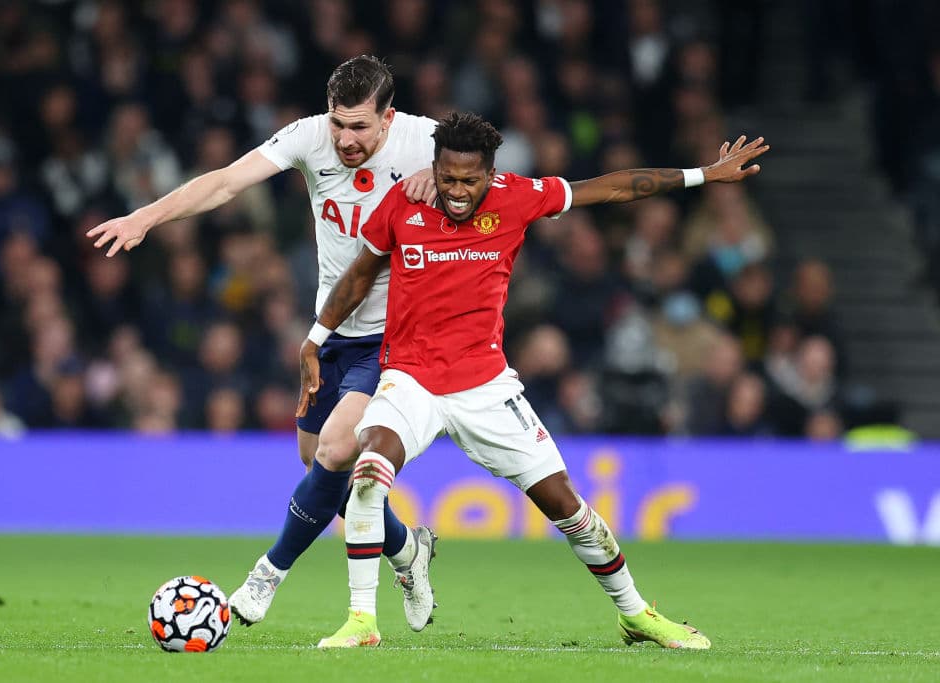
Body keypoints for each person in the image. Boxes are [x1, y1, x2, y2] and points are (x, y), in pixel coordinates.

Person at [299, 112, 769, 649]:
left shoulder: (518, 197)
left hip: (485, 386)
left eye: (469, 181)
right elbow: (359, 275)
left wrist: (703, 175)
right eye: (447, 178)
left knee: (567, 506)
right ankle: (362, 621)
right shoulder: (402, 204)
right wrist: (315, 338)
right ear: (434, 168)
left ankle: (636, 613)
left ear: (491, 174)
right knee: (368, 475)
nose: (457, 192)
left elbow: (613, 187)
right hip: (410, 379)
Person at [87, 56, 440, 631]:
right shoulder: (308, 137)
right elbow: (225, 181)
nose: (345, 140)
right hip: (332, 328)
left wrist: (442, 174)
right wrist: (146, 217)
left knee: (335, 451)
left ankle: (265, 575)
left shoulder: (427, 139)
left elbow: (489, 169)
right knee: (318, 464)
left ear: (388, 118)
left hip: (398, 334)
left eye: (359, 127)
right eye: (338, 124)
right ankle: (407, 551)